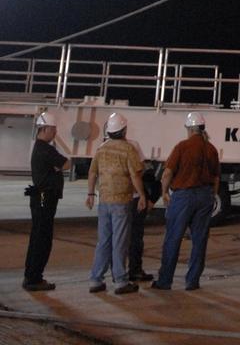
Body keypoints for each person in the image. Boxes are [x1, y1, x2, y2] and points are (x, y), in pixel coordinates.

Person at [151, 111, 220, 292]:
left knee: (173, 238)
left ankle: (165, 281)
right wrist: (211, 195)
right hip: (205, 196)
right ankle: (192, 281)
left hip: (183, 197)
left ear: (189, 129)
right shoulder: (211, 149)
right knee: (199, 240)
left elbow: (167, 173)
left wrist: (164, 192)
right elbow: (216, 177)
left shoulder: (182, 147)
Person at [86, 112, 147, 294]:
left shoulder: (101, 149)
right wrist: (142, 195)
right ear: (124, 130)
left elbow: (92, 172)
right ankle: (120, 281)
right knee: (120, 241)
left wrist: (90, 193)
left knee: (103, 241)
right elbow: (135, 175)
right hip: (121, 201)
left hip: (104, 201)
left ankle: (96, 280)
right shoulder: (128, 149)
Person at [23, 112, 68, 292]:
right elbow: (66, 164)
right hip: (44, 197)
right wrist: (57, 168)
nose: (55, 133)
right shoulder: (46, 149)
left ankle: (31, 275)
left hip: (39, 196)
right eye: (53, 129)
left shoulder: (39, 147)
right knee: (42, 238)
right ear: (46, 129)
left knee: (37, 236)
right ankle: (34, 278)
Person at [129, 160, 162, 282]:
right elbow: (149, 179)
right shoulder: (133, 154)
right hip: (135, 200)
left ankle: (117, 273)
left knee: (117, 239)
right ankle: (135, 270)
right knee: (135, 238)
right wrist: (147, 198)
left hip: (116, 200)